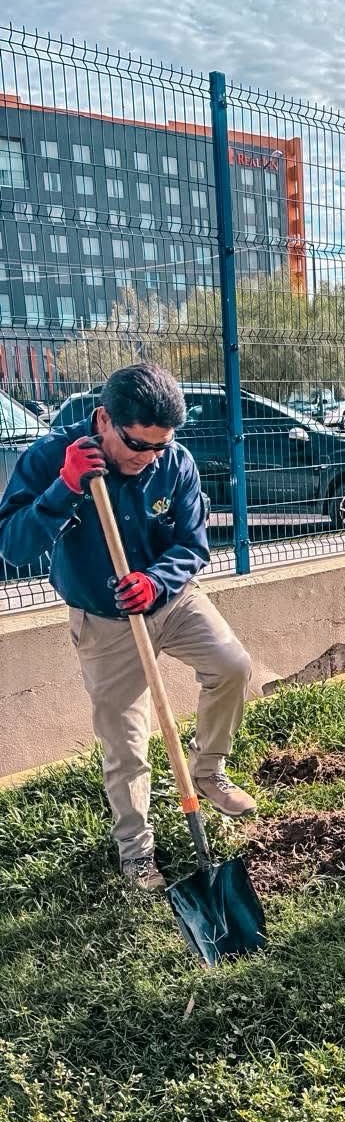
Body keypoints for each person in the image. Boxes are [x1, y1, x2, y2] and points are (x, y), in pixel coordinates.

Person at [0, 363, 256, 890]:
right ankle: (137, 852)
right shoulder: (51, 458)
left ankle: (207, 772)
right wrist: (64, 488)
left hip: (170, 601)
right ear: (104, 420)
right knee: (126, 740)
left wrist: (157, 581)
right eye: (139, 445)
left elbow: (192, 544)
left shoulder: (174, 462)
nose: (150, 458)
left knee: (232, 665)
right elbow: (13, 545)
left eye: (160, 445)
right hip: (104, 619)